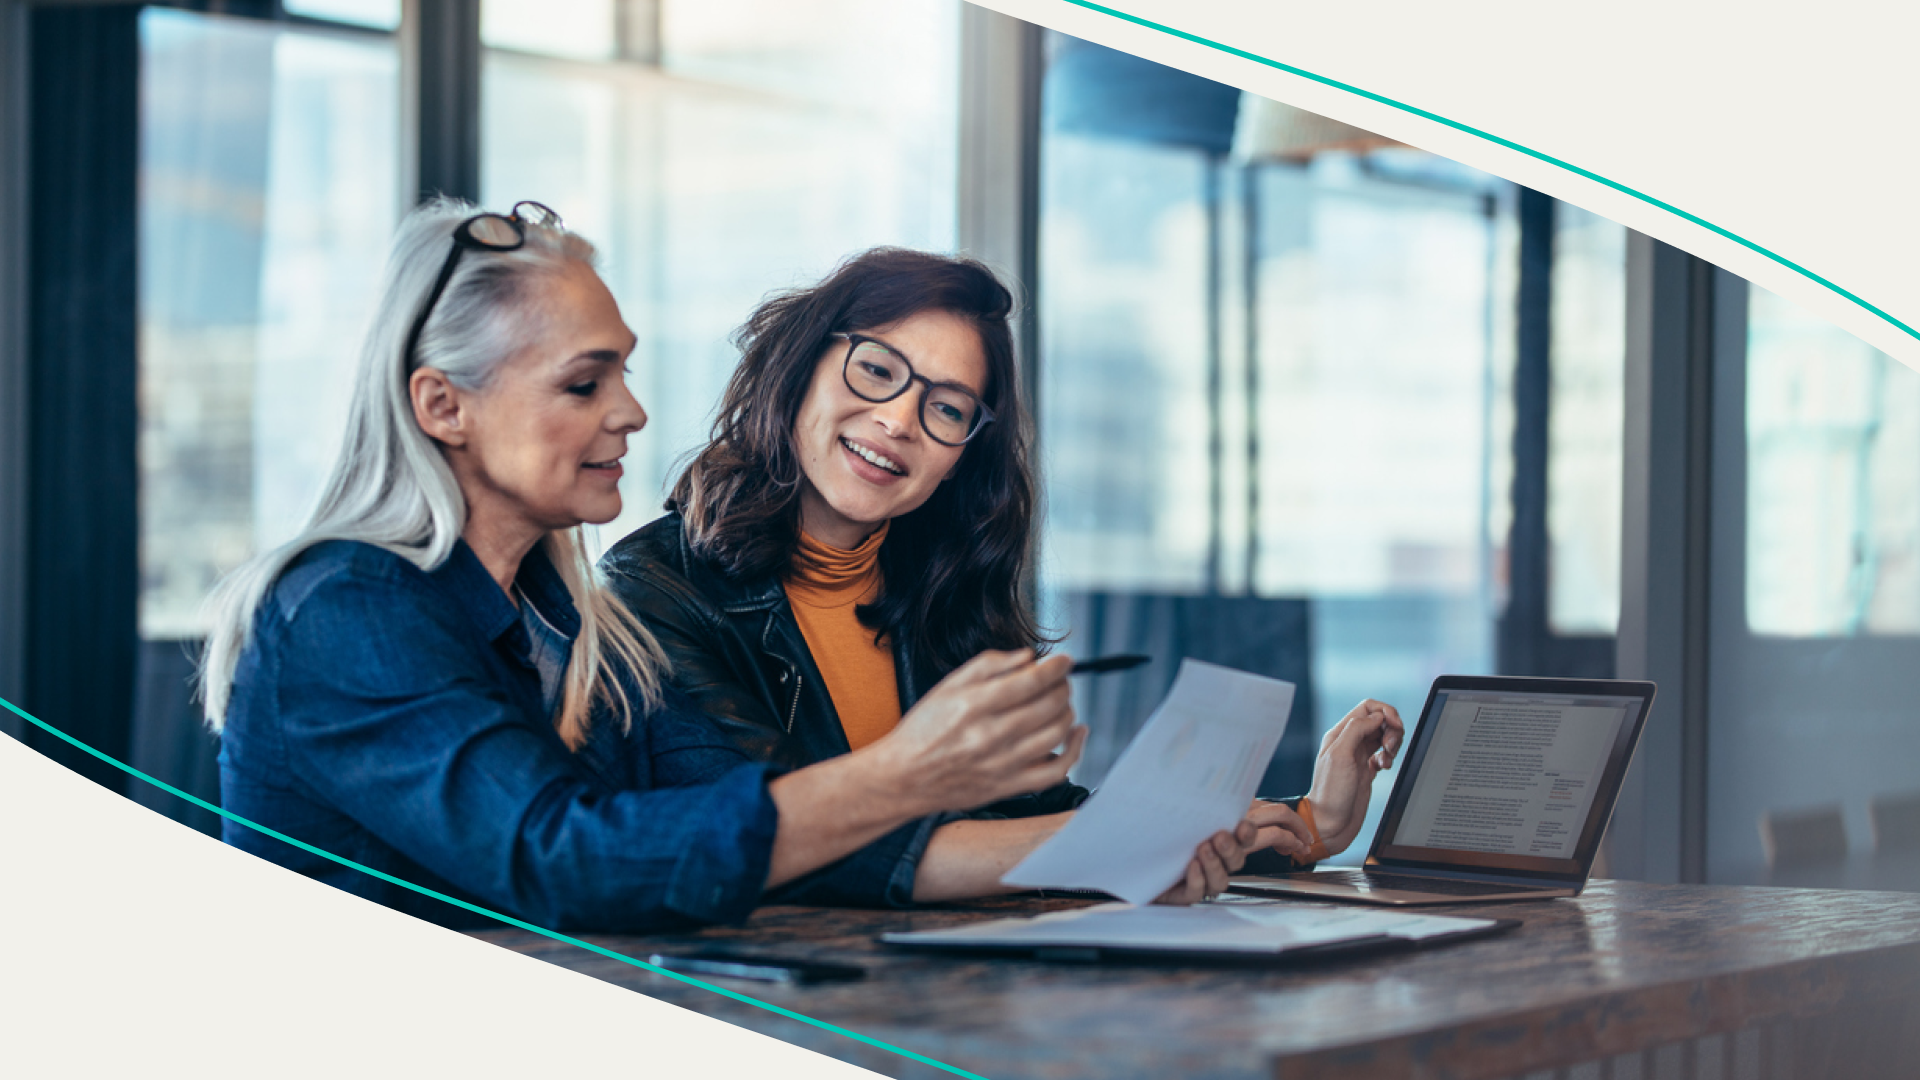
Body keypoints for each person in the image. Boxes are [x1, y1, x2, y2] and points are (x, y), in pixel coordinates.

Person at [202, 201, 1268, 934]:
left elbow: (761, 823)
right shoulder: (347, 610)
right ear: (444, 406)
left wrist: (1135, 845)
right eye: (586, 383)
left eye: (622, 372)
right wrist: (908, 773)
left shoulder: (572, 627)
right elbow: (558, 860)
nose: (632, 411)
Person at [600, 247, 1404, 879]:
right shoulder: (652, 590)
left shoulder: (942, 588)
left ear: (963, 452)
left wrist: (1308, 824)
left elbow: (1032, 816)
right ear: (800, 365)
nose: (897, 421)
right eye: (877, 370)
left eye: (946, 407)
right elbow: (776, 842)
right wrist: (1110, 848)